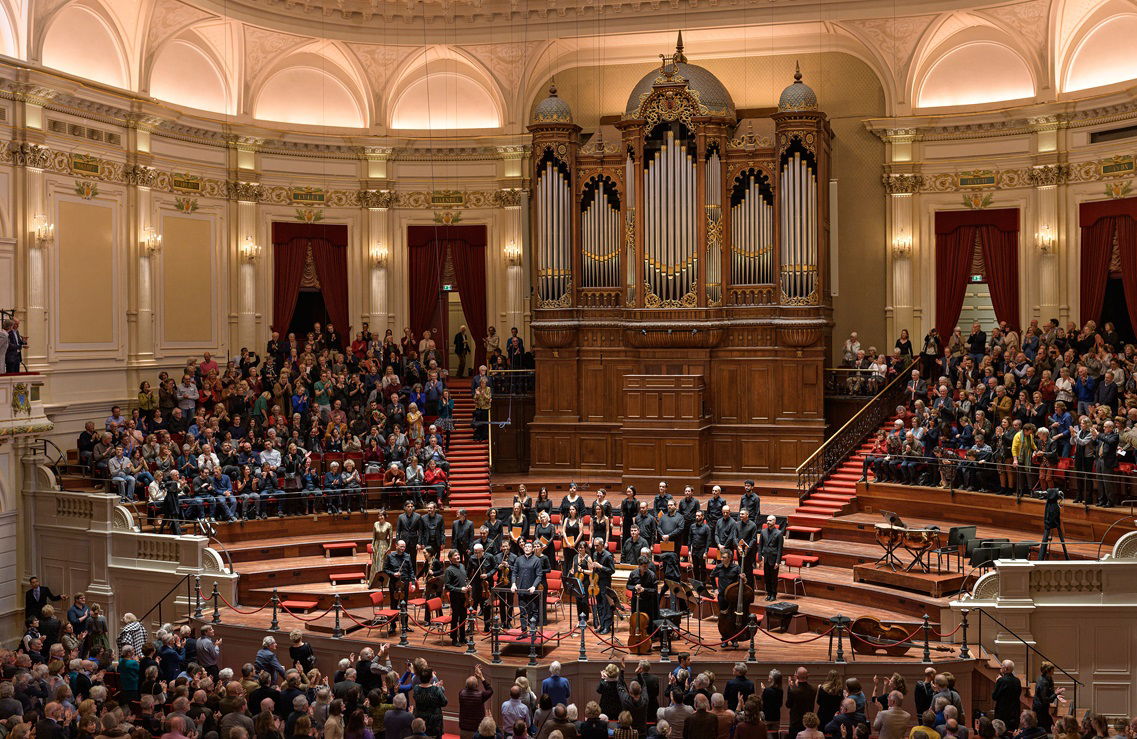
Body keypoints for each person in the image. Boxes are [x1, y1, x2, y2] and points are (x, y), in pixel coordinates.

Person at [458, 665, 493, 739]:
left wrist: (474, 677)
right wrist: (481, 677)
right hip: (477, 729)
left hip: (464, 728)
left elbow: (469, 685)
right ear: (477, 685)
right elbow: (490, 690)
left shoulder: (461, 694)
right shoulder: (481, 695)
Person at [444, 550, 470, 646]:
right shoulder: (448, 570)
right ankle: (454, 639)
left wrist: (468, 586)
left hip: (464, 597)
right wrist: (460, 589)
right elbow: (447, 586)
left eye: (458, 554)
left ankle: (462, 637)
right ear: (451, 558)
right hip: (455, 597)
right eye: (455, 555)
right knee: (455, 618)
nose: (458, 556)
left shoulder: (462, 566)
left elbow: (465, 580)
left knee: (463, 617)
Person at [1030, 663, 1062, 733]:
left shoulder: (1047, 679)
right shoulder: (1043, 682)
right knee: (1046, 728)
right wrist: (1056, 694)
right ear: (1048, 671)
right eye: (1052, 670)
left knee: (1048, 727)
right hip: (1040, 709)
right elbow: (1046, 699)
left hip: (1043, 708)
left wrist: (1055, 693)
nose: (1053, 672)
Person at [785, 668, 817, 739]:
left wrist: (790, 688)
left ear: (796, 676)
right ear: (807, 676)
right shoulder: (814, 689)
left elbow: (788, 705)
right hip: (808, 722)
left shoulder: (793, 690)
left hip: (795, 722)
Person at [991, 661, 1022, 732]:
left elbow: (994, 696)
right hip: (1014, 713)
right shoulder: (1017, 681)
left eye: (1001, 666)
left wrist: (997, 682)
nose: (1000, 668)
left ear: (1005, 669)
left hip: (1003, 714)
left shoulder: (1001, 681)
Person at [758, 515, 783, 601]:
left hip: (774, 559)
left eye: (770, 520)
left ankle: (773, 594)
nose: (768, 522)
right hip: (766, 559)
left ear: (774, 522)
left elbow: (780, 549)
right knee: (767, 578)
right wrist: (760, 558)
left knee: (773, 578)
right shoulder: (763, 532)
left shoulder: (779, 533)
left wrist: (778, 562)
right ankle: (768, 593)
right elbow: (760, 545)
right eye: (767, 520)